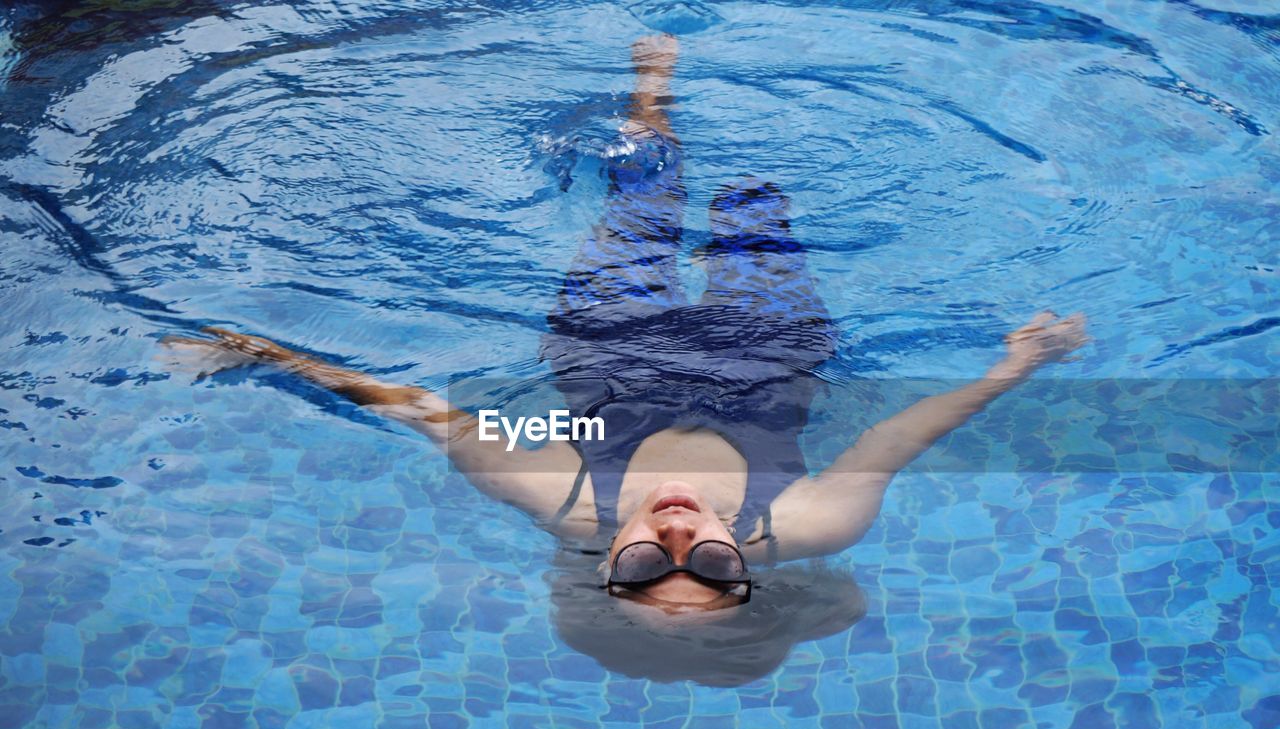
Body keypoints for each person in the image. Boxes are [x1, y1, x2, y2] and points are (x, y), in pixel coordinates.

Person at [162, 34, 1086, 683]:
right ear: (748, 571)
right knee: (755, 209)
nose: (678, 544)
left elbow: (416, 408)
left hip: (611, 344)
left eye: (648, 572)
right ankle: (695, 140)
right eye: (713, 574)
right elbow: (898, 435)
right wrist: (1015, 369)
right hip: (766, 356)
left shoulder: (557, 496)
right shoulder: (810, 520)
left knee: (643, 196)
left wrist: (267, 354)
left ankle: (651, 97)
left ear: (610, 569)